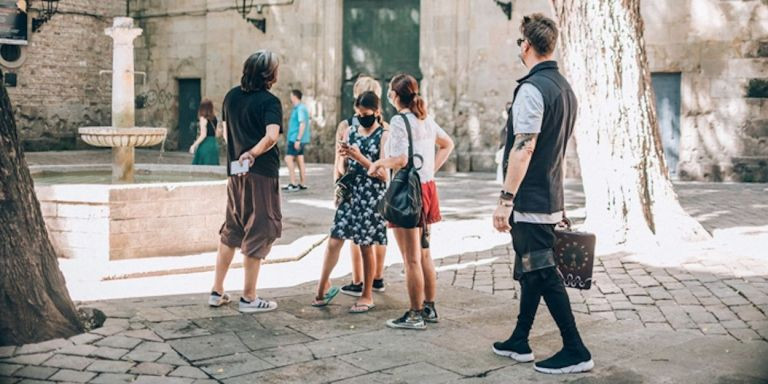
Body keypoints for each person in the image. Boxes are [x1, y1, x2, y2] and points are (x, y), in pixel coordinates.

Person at [491, 14, 593, 374]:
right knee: (532, 270)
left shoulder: (532, 90)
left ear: (527, 45)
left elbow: (525, 147)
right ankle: (520, 340)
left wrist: (506, 200)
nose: (519, 47)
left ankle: (576, 348)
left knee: (544, 273)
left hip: (531, 201)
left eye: (520, 42)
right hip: (548, 199)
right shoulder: (565, 88)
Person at [368, 73, 454, 330]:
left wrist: (379, 162)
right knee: (425, 254)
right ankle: (429, 306)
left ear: (395, 96)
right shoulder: (424, 119)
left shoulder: (398, 120)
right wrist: (430, 171)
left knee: (411, 258)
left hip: (408, 191)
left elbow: (401, 160)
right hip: (426, 189)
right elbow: (447, 144)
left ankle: (415, 314)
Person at [208, 50, 282, 313]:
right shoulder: (270, 102)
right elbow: (272, 135)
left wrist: (240, 155)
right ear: (269, 74)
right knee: (259, 228)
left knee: (233, 228)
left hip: (235, 173)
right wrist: (253, 152)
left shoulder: (231, 96)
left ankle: (217, 291)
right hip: (261, 173)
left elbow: (225, 133)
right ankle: (249, 298)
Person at [312, 91, 389, 313]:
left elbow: (384, 175)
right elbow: (341, 169)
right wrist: (343, 158)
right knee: (334, 240)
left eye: (365, 114)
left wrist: (360, 158)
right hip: (350, 194)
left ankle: (367, 295)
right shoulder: (349, 132)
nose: (361, 118)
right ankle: (321, 288)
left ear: (376, 112)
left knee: (365, 245)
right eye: (358, 114)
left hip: (371, 196)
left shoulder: (384, 136)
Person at [336, 76, 388, 297]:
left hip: (366, 190)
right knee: (376, 235)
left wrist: (336, 186)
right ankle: (377, 277)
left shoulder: (349, 125)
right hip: (366, 191)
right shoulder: (383, 127)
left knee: (360, 239)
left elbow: (384, 173)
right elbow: (340, 163)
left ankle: (359, 281)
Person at [283, 89, 311, 191]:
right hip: (297, 139)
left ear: (294, 96)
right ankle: (303, 183)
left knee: (288, 159)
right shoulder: (298, 108)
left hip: (296, 139)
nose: (290, 98)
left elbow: (302, 123)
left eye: (291, 96)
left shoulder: (300, 109)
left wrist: (298, 139)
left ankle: (293, 183)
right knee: (300, 160)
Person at [190, 98, 221, 165]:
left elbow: (203, 135)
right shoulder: (214, 118)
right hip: (214, 145)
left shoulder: (203, 118)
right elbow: (217, 134)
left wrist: (194, 145)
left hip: (205, 145)